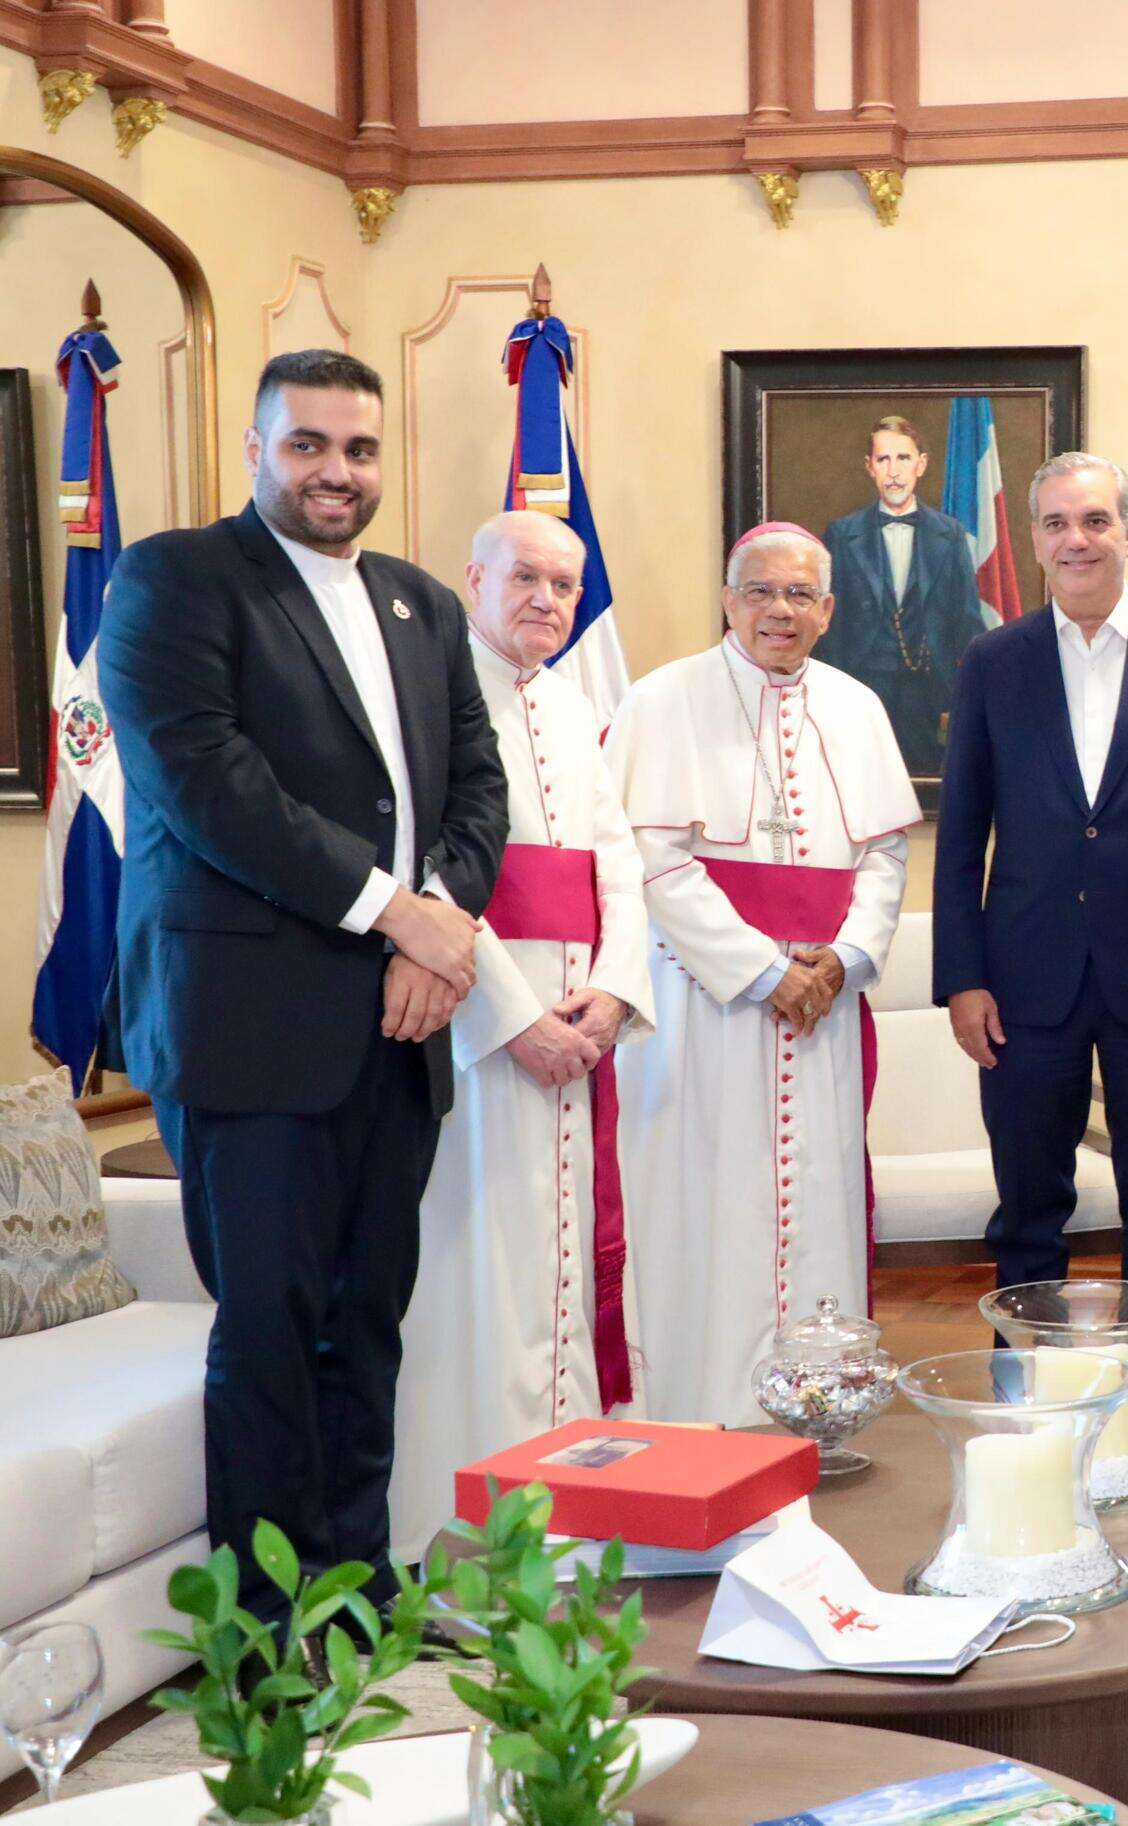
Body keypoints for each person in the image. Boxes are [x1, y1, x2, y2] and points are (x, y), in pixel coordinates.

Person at [97, 349, 507, 1619]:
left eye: (360, 448)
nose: (337, 470)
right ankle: (270, 1642)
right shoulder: (175, 578)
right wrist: (402, 915)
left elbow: (478, 787)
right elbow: (207, 782)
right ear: (257, 448)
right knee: (272, 1337)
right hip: (247, 1026)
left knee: (367, 1323)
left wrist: (434, 930)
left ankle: (359, 1597)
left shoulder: (423, 604)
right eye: (309, 445)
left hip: (398, 1026)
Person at [934, 453, 1128, 1431]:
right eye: (1058, 523)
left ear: (1126, 531)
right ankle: (1026, 1402)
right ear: (1033, 539)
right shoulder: (996, 660)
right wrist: (962, 978)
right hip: (1023, 977)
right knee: (1028, 1204)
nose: (1077, 539)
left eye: (1096, 521)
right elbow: (961, 830)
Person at [388, 511, 656, 1561]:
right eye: (526, 579)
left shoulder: (580, 702)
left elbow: (618, 868)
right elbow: (436, 881)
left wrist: (615, 993)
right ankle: (463, 1536)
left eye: (564, 583)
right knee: (481, 1278)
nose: (548, 600)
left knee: (565, 1273)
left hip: (579, 1031)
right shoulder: (430, 704)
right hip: (475, 1041)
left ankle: (571, 1518)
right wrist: (516, 1020)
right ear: (474, 579)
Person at [608, 522, 917, 1423]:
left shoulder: (857, 708)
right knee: (702, 1202)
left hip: (822, 1010)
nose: (778, 612)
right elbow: (651, 855)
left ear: (827, 610)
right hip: (703, 1004)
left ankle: (819, 1409)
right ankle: (698, 1406)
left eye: (798, 596)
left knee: (817, 1197)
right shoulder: (663, 702)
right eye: (759, 591)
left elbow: (886, 852)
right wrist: (758, 971)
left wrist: (846, 958)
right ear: (728, 598)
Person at [817, 415, 987, 781]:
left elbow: (968, 622)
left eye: (904, 458)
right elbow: (828, 630)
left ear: (921, 465)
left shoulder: (950, 534)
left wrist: (964, 696)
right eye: (884, 460)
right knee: (859, 780)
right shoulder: (842, 535)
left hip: (928, 691)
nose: (894, 471)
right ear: (870, 467)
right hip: (861, 687)